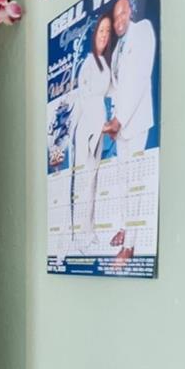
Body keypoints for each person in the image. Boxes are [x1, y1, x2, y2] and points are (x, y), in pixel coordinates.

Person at [70, 15, 115, 249]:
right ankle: (81, 234)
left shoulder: (106, 64)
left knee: (93, 182)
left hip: (98, 127)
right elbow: (85, 98)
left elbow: (113, 91)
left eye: (108, 32)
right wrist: (95, 130)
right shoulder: (88, 64)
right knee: (84, 181)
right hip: (88, 128)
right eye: (101, 31)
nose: (104, 36)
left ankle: (89, 230)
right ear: (94, 34)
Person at [105, 0, 156, 158]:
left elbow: (138, 79)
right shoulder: (117, 50)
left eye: (122, 14)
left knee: (136, 180)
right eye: (115, 18)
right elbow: (117, 88)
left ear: (130, 12)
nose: (118, 21)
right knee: (121, 182)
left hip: (136, 122)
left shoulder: (142, 30)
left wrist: (118, 120)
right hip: (120, 131)